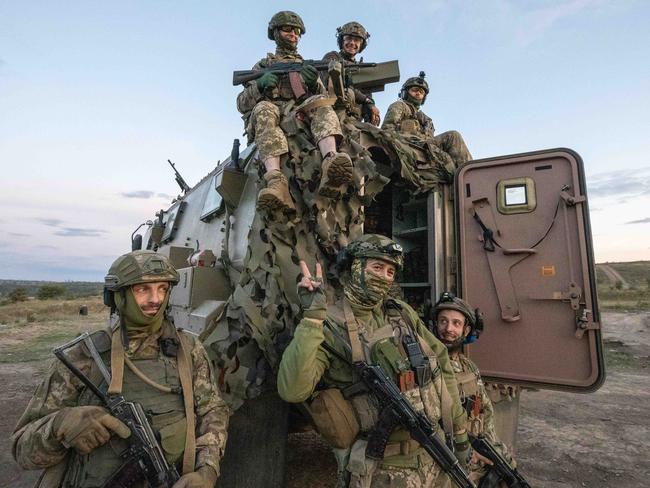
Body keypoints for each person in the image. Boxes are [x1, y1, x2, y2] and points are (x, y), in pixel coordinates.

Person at [11, 250, 230, 488]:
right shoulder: (84, 356)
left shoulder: (187, 350)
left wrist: (207, 470)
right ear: (118, 296)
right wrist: (60, 426)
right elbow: (23, 450)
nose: (155, 299)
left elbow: (213, 412)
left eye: (162, 289)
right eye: (142, 289)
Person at [277, 234, 471, 487]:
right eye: (377, 267)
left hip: (432, 452)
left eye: (390, 272)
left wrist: (459, 430)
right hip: (381, 469)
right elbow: (292, 389)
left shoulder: (400, 312)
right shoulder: (329, 325)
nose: (384, 277)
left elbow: (440, 363)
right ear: (354, 268)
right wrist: (313, 318)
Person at [237, 11, 354, 211]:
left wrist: (313, 83)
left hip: (299, 111)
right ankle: (276, 181)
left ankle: (331, 161)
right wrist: (259, 86)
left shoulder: (305, 65)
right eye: (288, 29)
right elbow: (241, 104)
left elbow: (325, 96)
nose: (293, 34)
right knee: (263, 108)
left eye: (297, 31)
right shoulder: (264, 65)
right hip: (273, 111)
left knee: (320, 101)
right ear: (275, 33)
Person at [432, 292, 517, 484]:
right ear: (435, 325)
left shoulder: (469, 368)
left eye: (456, 323)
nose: (448, 329)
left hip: (476, 450)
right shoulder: (427, 366)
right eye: (443, 321)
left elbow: (485, 413)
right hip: (447, 456)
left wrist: (496, 451)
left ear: (466, 330)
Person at [382, 72, 472, 167]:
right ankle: (470, 172)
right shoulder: (400, 106)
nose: (418, 93)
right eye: (414, 90)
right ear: (404, 93)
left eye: (421, 92)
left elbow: (430, 137)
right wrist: (410, 136)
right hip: (411, 143)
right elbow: (387, 130)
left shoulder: (425, 119)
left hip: (426, 145)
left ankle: (464, 173)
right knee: (453, 136)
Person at [321, 21, 380, 125]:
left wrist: (370, 106)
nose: (352, 43)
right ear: (341, 41)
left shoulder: (362, 69)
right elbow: (332, 83)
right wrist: (365, 99)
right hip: (334, 112)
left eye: (357, 40)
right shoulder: (332, 57)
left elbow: (368, 95)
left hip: (354, 120)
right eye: (348, 38)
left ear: (361, 45)